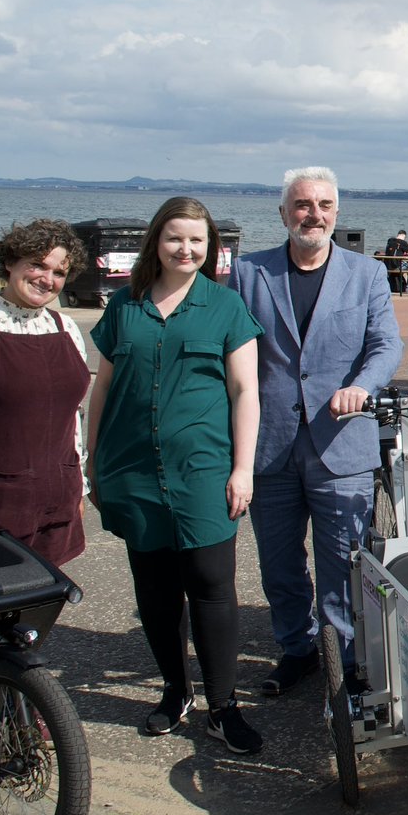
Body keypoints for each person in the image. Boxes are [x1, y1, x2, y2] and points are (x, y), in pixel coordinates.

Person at [87, 197, 264, 752]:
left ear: (211, 248)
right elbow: (103, 388)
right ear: (155, 244)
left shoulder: (226, 307)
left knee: (212, 589)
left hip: (204, 473)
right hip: (134, 473)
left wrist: (242, 468)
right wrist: (92, 460)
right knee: (156, 594)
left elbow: (245, 392)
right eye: (174, 238)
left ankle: (224, 706)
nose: (185, 249)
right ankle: (174, 691)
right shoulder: (124, 306)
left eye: (197, 240)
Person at [230, 167, 403, 696]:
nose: (314, 214)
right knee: (279, 563)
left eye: (324, 205)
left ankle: (345, 658)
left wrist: (364, 387)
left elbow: (385, 346)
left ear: (337, 213)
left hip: (341, 441)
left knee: (341, 563)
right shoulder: (246, 273)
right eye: (303, 205)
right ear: (284, 214)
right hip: (269, 442)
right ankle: (297, 648)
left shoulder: (366, 273)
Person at [0, 219, 90, 566]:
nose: (46, 279)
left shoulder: (64, 327)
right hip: (3, 502)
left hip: (57, 498)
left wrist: (79, 486)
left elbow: (74, 419)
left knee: (41, 606)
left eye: (58, 272)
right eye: (37, 264)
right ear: (10, 262)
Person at [384, 230, 408, 294]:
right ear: (403, 235)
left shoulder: (390, 241)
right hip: (397, 266)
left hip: (388, 266)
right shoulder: (403, 242)